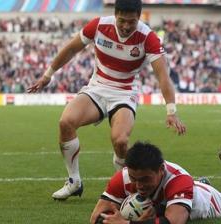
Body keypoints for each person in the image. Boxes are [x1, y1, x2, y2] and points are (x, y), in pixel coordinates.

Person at [27, 0, 186, 200]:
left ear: (139, 17)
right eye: (122, 21)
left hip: (124, 93)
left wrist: (171, 111)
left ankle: (123, 189)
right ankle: (74, 181)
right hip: (97, 88)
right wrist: (48, 74)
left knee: (120, 141)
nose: (127, 26)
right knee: (66, 122)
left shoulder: (148, 37)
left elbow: (163, 75)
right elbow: (70, 49)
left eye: (132, 22)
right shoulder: (99, 25)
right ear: (115, 14)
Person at [90, 141, 221, 224]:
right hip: (180, 194)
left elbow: (173, 221)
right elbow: (96, 216)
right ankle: (194, 188)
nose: (138, 185)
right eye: (134, 179)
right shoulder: (124, 177)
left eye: (145, 179)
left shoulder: (177, 179)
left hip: (206, 202)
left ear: (161, 169)